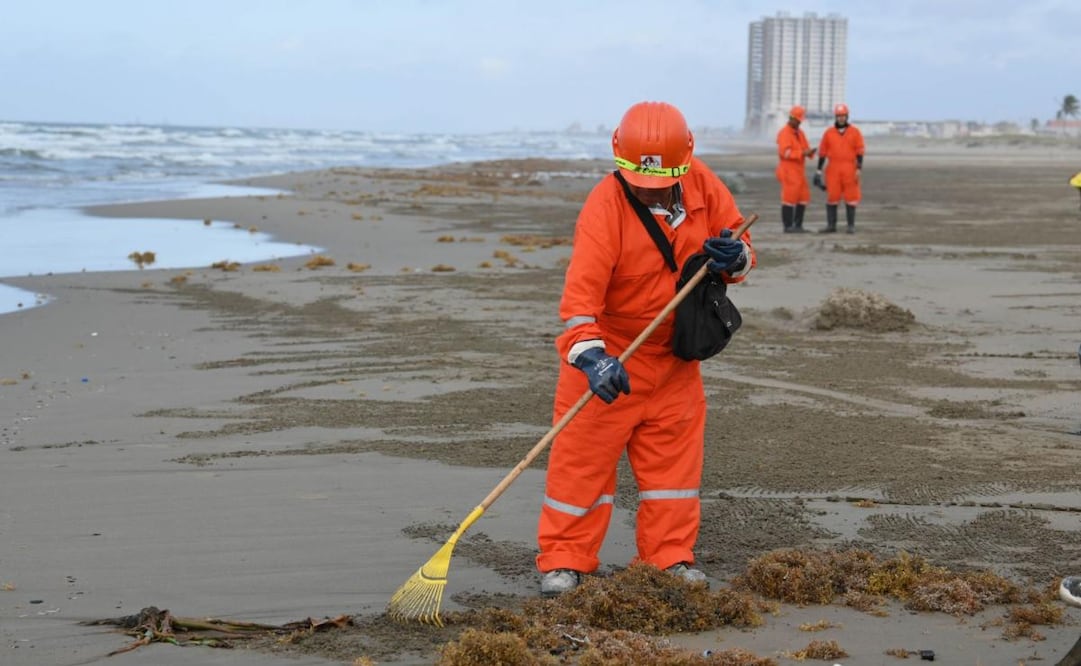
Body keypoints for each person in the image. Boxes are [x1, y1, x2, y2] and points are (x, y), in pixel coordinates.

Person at [536, 101, 756, 596]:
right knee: (580, 469)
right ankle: (565, 560)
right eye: (640, 181)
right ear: (620, 160)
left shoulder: (703, 183)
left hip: (675, 360)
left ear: (685, 161)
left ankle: (668, 558)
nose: (648, 189)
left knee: (672, 474)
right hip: (610, 357)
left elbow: (742, 251)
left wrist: (735, 257)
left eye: (660, 183)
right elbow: (579, 305)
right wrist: (591, 357)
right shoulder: (604, 207)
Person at [815, 103, 866, 233]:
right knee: (832, 196)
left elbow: (860, 151)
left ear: (847, 116)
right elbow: (822, 153)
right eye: (839, 116)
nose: (841, 118)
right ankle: (831, 225)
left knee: (851, 196)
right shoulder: (829, 133)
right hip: (833, 168)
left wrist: (859, 168)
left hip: (850, 167)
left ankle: (851, 226)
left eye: (843, 116)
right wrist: (818, 171)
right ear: (836, 117)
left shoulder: (855, 132)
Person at [775, 105, 815, 233]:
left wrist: (809, 152)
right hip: (788, 170)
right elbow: (785, 153)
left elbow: (805, 148)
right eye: (796, 120)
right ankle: (788, 226)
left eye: (799, 120)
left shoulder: (800, 133)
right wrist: (802, 153)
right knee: (789, 198)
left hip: (799, 171)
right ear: (791, 118)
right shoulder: (784, 133)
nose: (798, 122)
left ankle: (798, 225)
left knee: (803, 197)